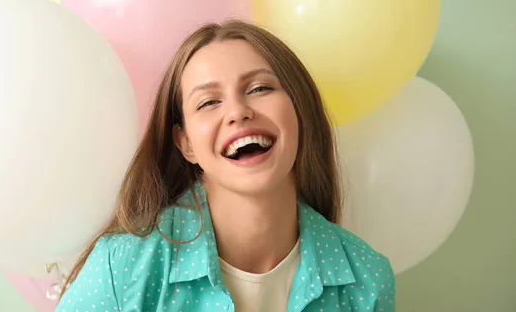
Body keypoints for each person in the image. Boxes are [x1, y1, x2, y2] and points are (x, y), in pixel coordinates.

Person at [56, 20, 396, 312]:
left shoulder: (367, 279)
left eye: (260, 88)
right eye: (208, 102)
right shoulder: (123, 269)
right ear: (185, 143)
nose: (238, 112)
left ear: (300, 110)